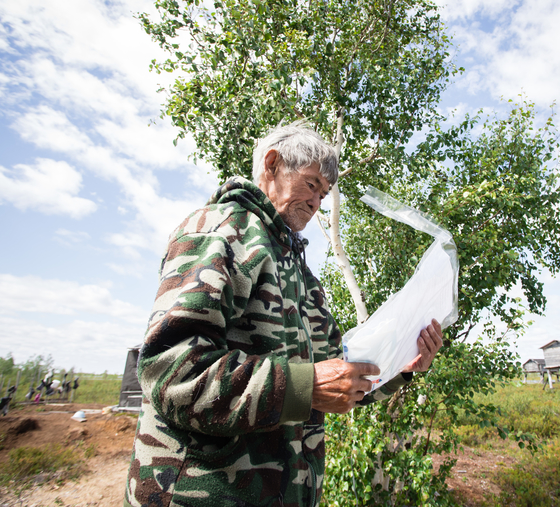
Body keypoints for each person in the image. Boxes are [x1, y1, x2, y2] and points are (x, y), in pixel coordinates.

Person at [124, 123, 443, 507]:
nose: (316, 203)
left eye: (324, 194)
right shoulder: (224, 230)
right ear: (272, 165)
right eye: (311, 184)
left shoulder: (301, 275)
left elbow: (337, 376)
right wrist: (302, 386)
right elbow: (170, 371)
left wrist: (403, 364)